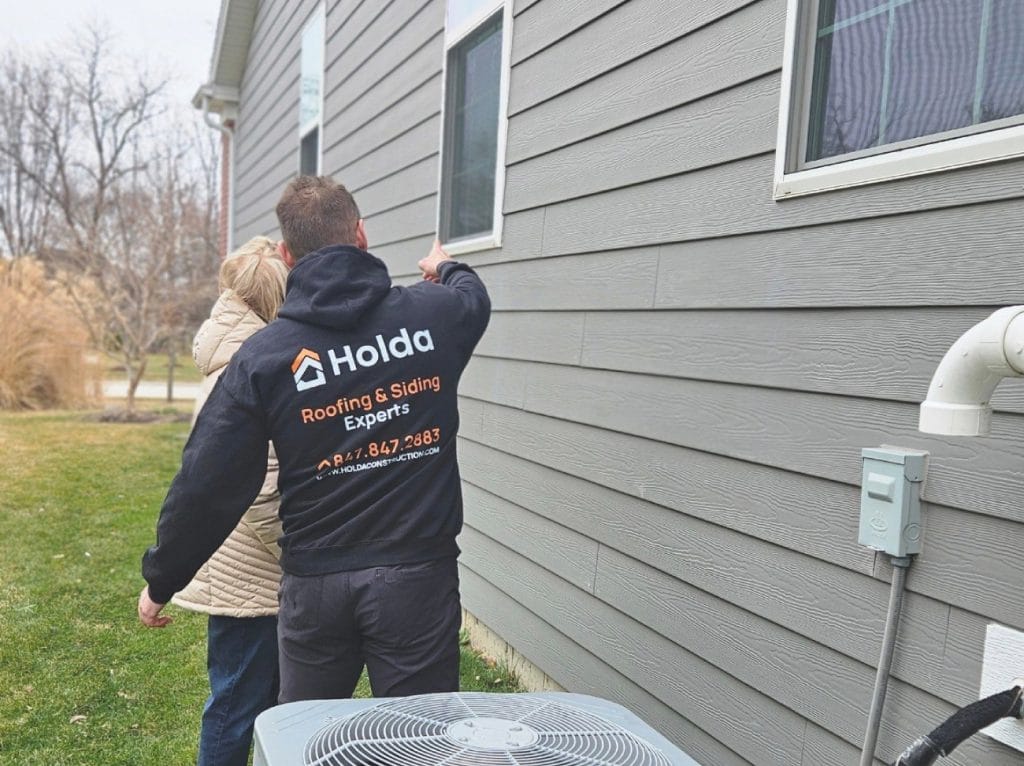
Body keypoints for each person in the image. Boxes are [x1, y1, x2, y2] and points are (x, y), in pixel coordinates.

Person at [138, 175, 490, 704]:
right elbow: (473, 297)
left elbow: (207, 482)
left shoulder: (265, 357)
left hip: (315, 593)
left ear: (287, 253)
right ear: (361, 234)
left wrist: (162, 580)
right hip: (416, 582)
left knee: (308, 742)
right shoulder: (433, 315)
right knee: (423, 741)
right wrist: (445, 266)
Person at [173, 236, 289, 766]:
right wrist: (303, 559)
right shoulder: (249, 365)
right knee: (237, 706)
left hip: (243, 563)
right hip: (255, 573)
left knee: (254, 700)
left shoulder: (229, 346)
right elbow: (262, 493)